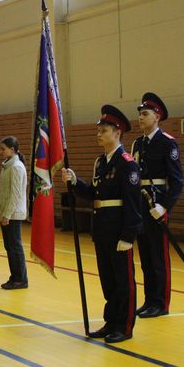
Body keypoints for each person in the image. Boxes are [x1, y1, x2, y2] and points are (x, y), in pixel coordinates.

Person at [62, 105, 142, 343]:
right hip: (102, 228)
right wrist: (75, 182)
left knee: (123, 281)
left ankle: (124, 326)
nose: (99, 134)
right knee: (108, 280)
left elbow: (133, 203)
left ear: (117, 133)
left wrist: (128, 236)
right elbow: (94, 193)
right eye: (98, 130)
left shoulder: (127, 163)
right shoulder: (100, 162)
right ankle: (111, 322)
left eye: (104, 130)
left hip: (118, 229)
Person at [131, 93, 184, 318]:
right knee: (145, 256)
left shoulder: (167, 142)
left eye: (145, 114)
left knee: (158, 257)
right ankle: (149, 300)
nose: (141, 118)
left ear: (157, 117)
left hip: (156, 203)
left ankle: (161, 303)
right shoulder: (138, 143)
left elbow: (177, 180)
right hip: (140, 204)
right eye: (140, 114)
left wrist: (164, 206)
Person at [0, 137, 28, 289]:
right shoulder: (7, 166)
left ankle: (20, 279)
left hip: (13, 214)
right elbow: (3, 192)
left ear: (12, 150)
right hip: (6, 213)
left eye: (3, 149)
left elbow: (15, 194)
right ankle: (15, 276)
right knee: (10, 247)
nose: (0, 151)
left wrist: (7, 214)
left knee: (14, 247)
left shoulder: (16, 167)